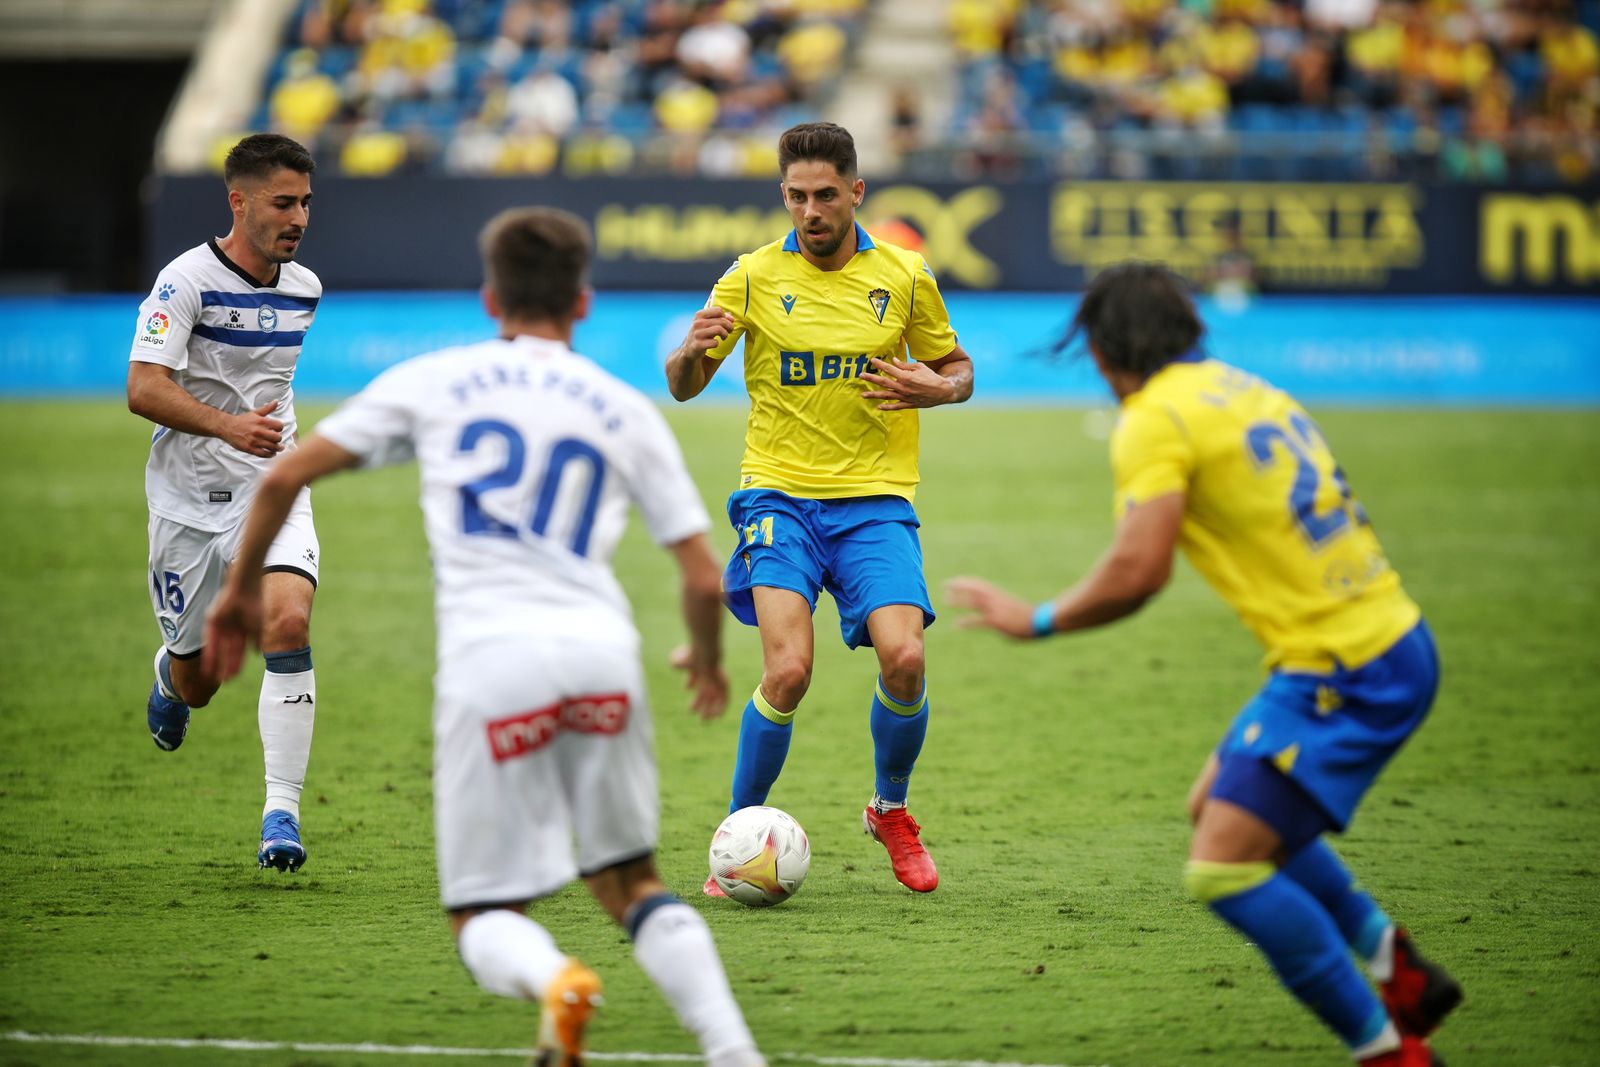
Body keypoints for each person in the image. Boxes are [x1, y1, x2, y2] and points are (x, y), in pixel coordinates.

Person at [203, 207, 766, 1067]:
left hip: (492, 664)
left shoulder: (437, 380)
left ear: (488, 296)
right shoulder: (621, 406)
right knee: (631, 882)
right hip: (601, 657)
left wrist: (240, 593)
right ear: (582, 303)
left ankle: (555, 982)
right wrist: (708, 655)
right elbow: (698, 574)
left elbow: (284, 472)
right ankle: (733, 1052)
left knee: (483, 915)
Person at [947, 263, 1461, 1067]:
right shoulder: (1245, 386)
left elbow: (1138, 570)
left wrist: (1036, 619)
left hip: (1344, 668)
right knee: (1210, 804)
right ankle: (1395, 962)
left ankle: (1390, 1053)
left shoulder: (1154, 417)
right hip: (1387, 634)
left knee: (1221, 868)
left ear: (1111, 349)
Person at [665, 121, 975, 896]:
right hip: (780, 496)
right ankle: (739, 834)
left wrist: (937, 387)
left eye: (826, 195)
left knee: (905, 659)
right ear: (784, 196)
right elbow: (684, 382)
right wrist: (687, 351)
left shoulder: (904, 275)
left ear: (856, 192)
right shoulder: (750, 276)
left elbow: (959, 370)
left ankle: (889, 809)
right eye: (797, 196)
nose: (811, 210)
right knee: (789, 669)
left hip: (874, 500)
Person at [127, 133, 323, 873]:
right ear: (238, 201)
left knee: (289, 618)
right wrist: (227, 426)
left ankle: (282, 812)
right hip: (186, 505)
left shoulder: (305, 288)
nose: (299, 215)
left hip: (272, 490)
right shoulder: (184, 283)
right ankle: (169, 675)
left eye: (305, 201)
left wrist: (264, 442)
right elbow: (143, 386)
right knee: (201, 678)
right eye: (283, 201)